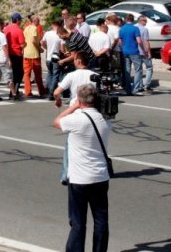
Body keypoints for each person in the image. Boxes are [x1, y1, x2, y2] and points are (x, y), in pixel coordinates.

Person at [54, 84, 111, 252]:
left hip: (80, 179)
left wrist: (73, 106)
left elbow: (57, 122)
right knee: (101, 220)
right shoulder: (104, 120)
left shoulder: (78, 119)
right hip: (100, 176)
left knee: (78, 222)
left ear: (80, 100)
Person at [119, 13, 144, 95]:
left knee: (127, 71)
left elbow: (120, 42)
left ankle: (127, 89)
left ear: (126, 20)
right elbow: (139, 41)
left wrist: (123, 48)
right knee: (138, 70)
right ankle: (135, 89)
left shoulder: (122, 29)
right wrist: (144, 50)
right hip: (134, 51)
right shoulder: (135, 28)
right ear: (133, 20)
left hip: (125, 51)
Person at [22, 15, 45, 98]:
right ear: (35, 21)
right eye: (38, 21)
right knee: (38, 74)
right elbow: (33, 40)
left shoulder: (26, 28)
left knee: (27, 74)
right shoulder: (34, 28)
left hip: (26, 53)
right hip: (34, 54)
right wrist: (40, 48)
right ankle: (41, 91)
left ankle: (27, 91)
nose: (39, 23)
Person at [4, 13, 26, 100]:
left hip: (8, 54)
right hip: (17, 54)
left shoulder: (6, 29)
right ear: (17, 20)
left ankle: (12, 91)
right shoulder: (19, 30)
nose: (21, 22)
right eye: (20, 20)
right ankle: (14, 92)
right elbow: (22, 44)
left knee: (11, 74)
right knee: (19, 74)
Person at [42, 19, 65, 98]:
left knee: (50, 74)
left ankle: (47, 90)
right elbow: (62, 48)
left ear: (53, 24)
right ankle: (52, 93)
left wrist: (47, 47)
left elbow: (42, 42)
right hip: (56, 57)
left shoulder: (47, 33)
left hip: (48, 57)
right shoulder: (59, 34)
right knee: (55, 75)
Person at [136, 15, 153, 93]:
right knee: (149, 68)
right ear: (140, 21)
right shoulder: (144, 29)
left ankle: (139, 85)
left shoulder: (134, 28)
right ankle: (147, 85)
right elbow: (146, 41)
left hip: (136, 51)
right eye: (145, 21)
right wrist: (149, 52)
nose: (146, 22)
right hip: (144, 51)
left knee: (139, 69)